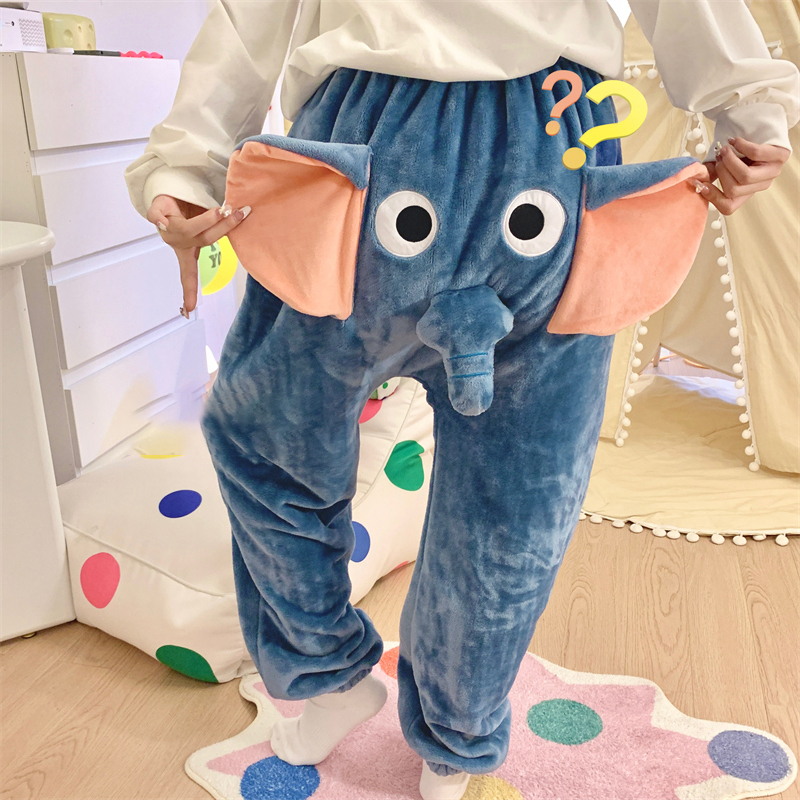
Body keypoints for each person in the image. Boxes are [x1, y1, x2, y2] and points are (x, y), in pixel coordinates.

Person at [125, 3, 798, 799]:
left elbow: (250, 17)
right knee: (517, 492)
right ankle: (456, 735)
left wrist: (187, 163)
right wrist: (750, 106)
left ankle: (327, 674)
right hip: (553, 147)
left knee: (268, 434)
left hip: (365, 143)